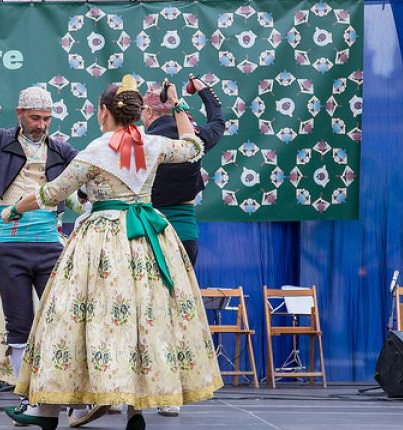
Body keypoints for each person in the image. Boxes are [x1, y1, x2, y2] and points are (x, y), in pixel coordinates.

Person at [1, 76, 223, 430]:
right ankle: (134, 411)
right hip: (149, 239)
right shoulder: (154, 145)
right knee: (143, 321)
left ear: (103, 111)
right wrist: (177, 104)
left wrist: (13, 210)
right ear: (135, 113)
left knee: (73, 317)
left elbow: (51, 194)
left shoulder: (95, 151)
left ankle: (48, 411)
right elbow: (194, 146)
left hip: (102, 242)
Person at [0, 45, 78, 383]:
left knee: (58, 318)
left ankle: (60, 390)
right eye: (35, 118)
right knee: (18, 321)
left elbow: (88, 172)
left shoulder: (61, 150)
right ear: (20, 113)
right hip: (9, 247)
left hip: (50, 245)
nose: (42, 125)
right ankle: (26, 392)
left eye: (47, 119)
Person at [141, 77, 224, 417]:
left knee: (142, 312)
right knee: (176, 311)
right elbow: (218, 118)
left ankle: (125, 391)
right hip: (184, 232)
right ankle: (171, 396)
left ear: (147, 113)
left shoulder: (142, 143)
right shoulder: (195, 139)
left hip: (148, 231)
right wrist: (203, 88)